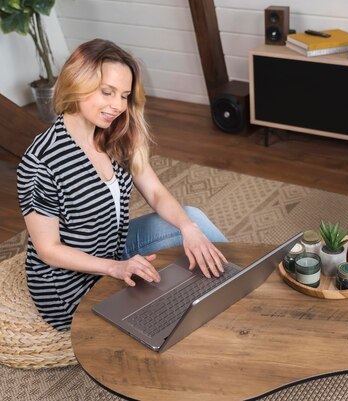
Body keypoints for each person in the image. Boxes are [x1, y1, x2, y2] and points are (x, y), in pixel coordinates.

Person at [17, 39, 229, 331]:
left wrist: (188, 229)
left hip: (112, 246)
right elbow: (48, 249)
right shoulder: (41, 161)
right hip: (69, 286)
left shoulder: (113, 136)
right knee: (170, 313)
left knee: (191, 219)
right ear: (77, 82)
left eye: (124, 96)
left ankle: (233, 279)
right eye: (107, 92)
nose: (117, 106)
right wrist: (116, 268)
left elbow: (154, 192)